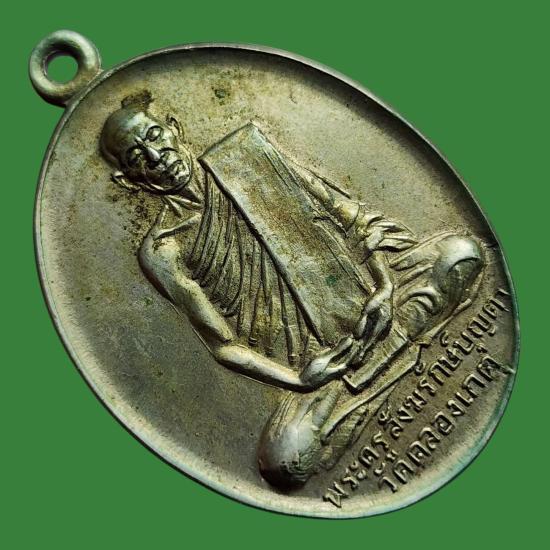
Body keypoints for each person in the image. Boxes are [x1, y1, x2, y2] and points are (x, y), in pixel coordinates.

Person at [100, 91, 483, 489]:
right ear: (128, 179)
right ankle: (393, 356)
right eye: (137, 157)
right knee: (285, 461)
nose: (157, 157)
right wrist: (300, 379)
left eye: (155, 137)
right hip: (319, 366)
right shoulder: (163, 250)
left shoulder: (245, 153)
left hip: (373, 301)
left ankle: (373, 379)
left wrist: (383, 286)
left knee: (461, 255)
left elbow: (349, 217)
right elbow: (223, 344)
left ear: (174, 129)